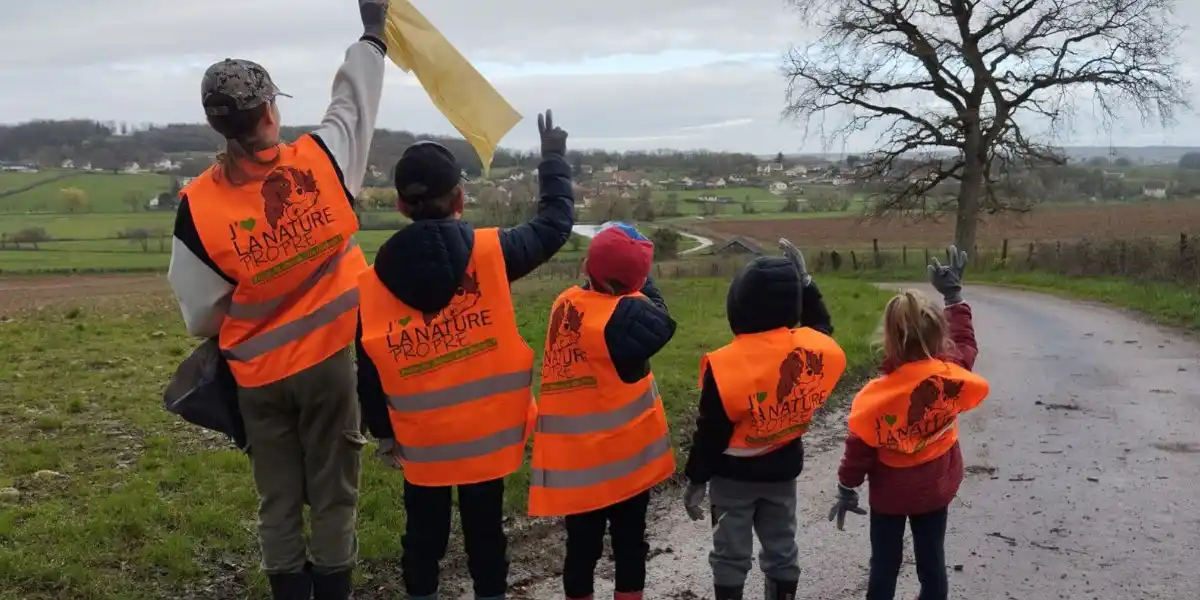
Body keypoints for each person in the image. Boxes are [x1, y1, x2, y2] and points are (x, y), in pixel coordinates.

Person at [166, 1, 388, 598]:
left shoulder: (197, 205)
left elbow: (199, 314)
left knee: (279, 498)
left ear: (220, 124)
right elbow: (353, 105)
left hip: (257, 376)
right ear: (270, 109)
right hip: (331, 364)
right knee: (335, 491)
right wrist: (372, 34)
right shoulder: (322, 163)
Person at [355, 110, 574, 600]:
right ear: (459, 197)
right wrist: (553, 160)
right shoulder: (495, 253)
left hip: (423, 448)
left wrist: (385, 435)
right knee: (486, 538)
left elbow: (366, 371)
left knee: (423, 538)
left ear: (398, 204)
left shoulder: (368, 286)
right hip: (488, 442)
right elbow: (556, 224)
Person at [681, 239, 848, 600]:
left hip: (731, 480)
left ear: (738, 306)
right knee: (782, 549)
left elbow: (710, 432)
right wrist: (805, 283)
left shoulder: (726, 365)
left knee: (729, 554)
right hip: (782, 471)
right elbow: (822, 325)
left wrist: (695, 480)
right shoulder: (811, 351)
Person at [827, 245, 989, 600]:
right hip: (935, 490)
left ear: (888, 338)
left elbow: (859, 450)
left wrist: (846, 487)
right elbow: (965, 341)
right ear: (937, 336)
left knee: (884, 566)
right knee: (933, 563)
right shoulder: (952, 374)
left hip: (889, 498)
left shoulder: (878, 398)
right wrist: (954, 296)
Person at [529, 223, 678, 600]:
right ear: (637, 283)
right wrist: (641, 277)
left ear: (586, 266)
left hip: (576, 466)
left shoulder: (564, 303)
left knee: (580, 552)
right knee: (629, 547)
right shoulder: (628, 320)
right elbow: (660, 317)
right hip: (625, 464)